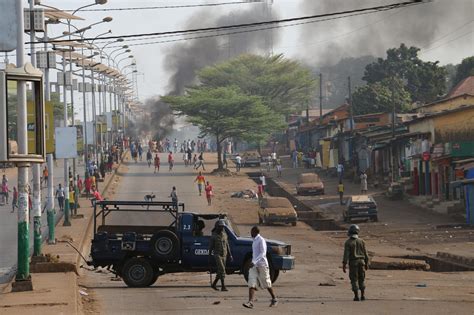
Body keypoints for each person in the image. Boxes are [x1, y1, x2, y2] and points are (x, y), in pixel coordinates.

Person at [243, 226, 278, 309]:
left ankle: (274, 298)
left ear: (255, 232)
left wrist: (254, 261)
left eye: (251, 232)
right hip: (254, 266)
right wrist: (253, 262)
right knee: (251, 282)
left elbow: (263, 253)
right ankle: (250, 302)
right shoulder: (254, 240)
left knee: (266, 283)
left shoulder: (261, 240)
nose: (250, 233)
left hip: (262, 265)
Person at [342, 224, 369, 302]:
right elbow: (366, 253)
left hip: (353, 263)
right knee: (362, 279)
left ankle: (356, 296)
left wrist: (344, 265)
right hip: (362, 262)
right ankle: (363, 295)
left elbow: (346, 255)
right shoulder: (362, 241)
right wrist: (367, 263)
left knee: (354, 279)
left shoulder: (348, 242)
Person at [209, 219, 233, 291]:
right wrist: (209, 256)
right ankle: (223, 286)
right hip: (217, 254)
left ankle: (214, 284)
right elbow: (211, 247)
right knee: (222, 270)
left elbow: (227, 244)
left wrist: (230, 255)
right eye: (220, 226)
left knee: (220, 271)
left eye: (223, 227)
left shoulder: (224, 234)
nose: (222, 228)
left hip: (224, 254)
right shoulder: (214, 236)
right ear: (217, 227)